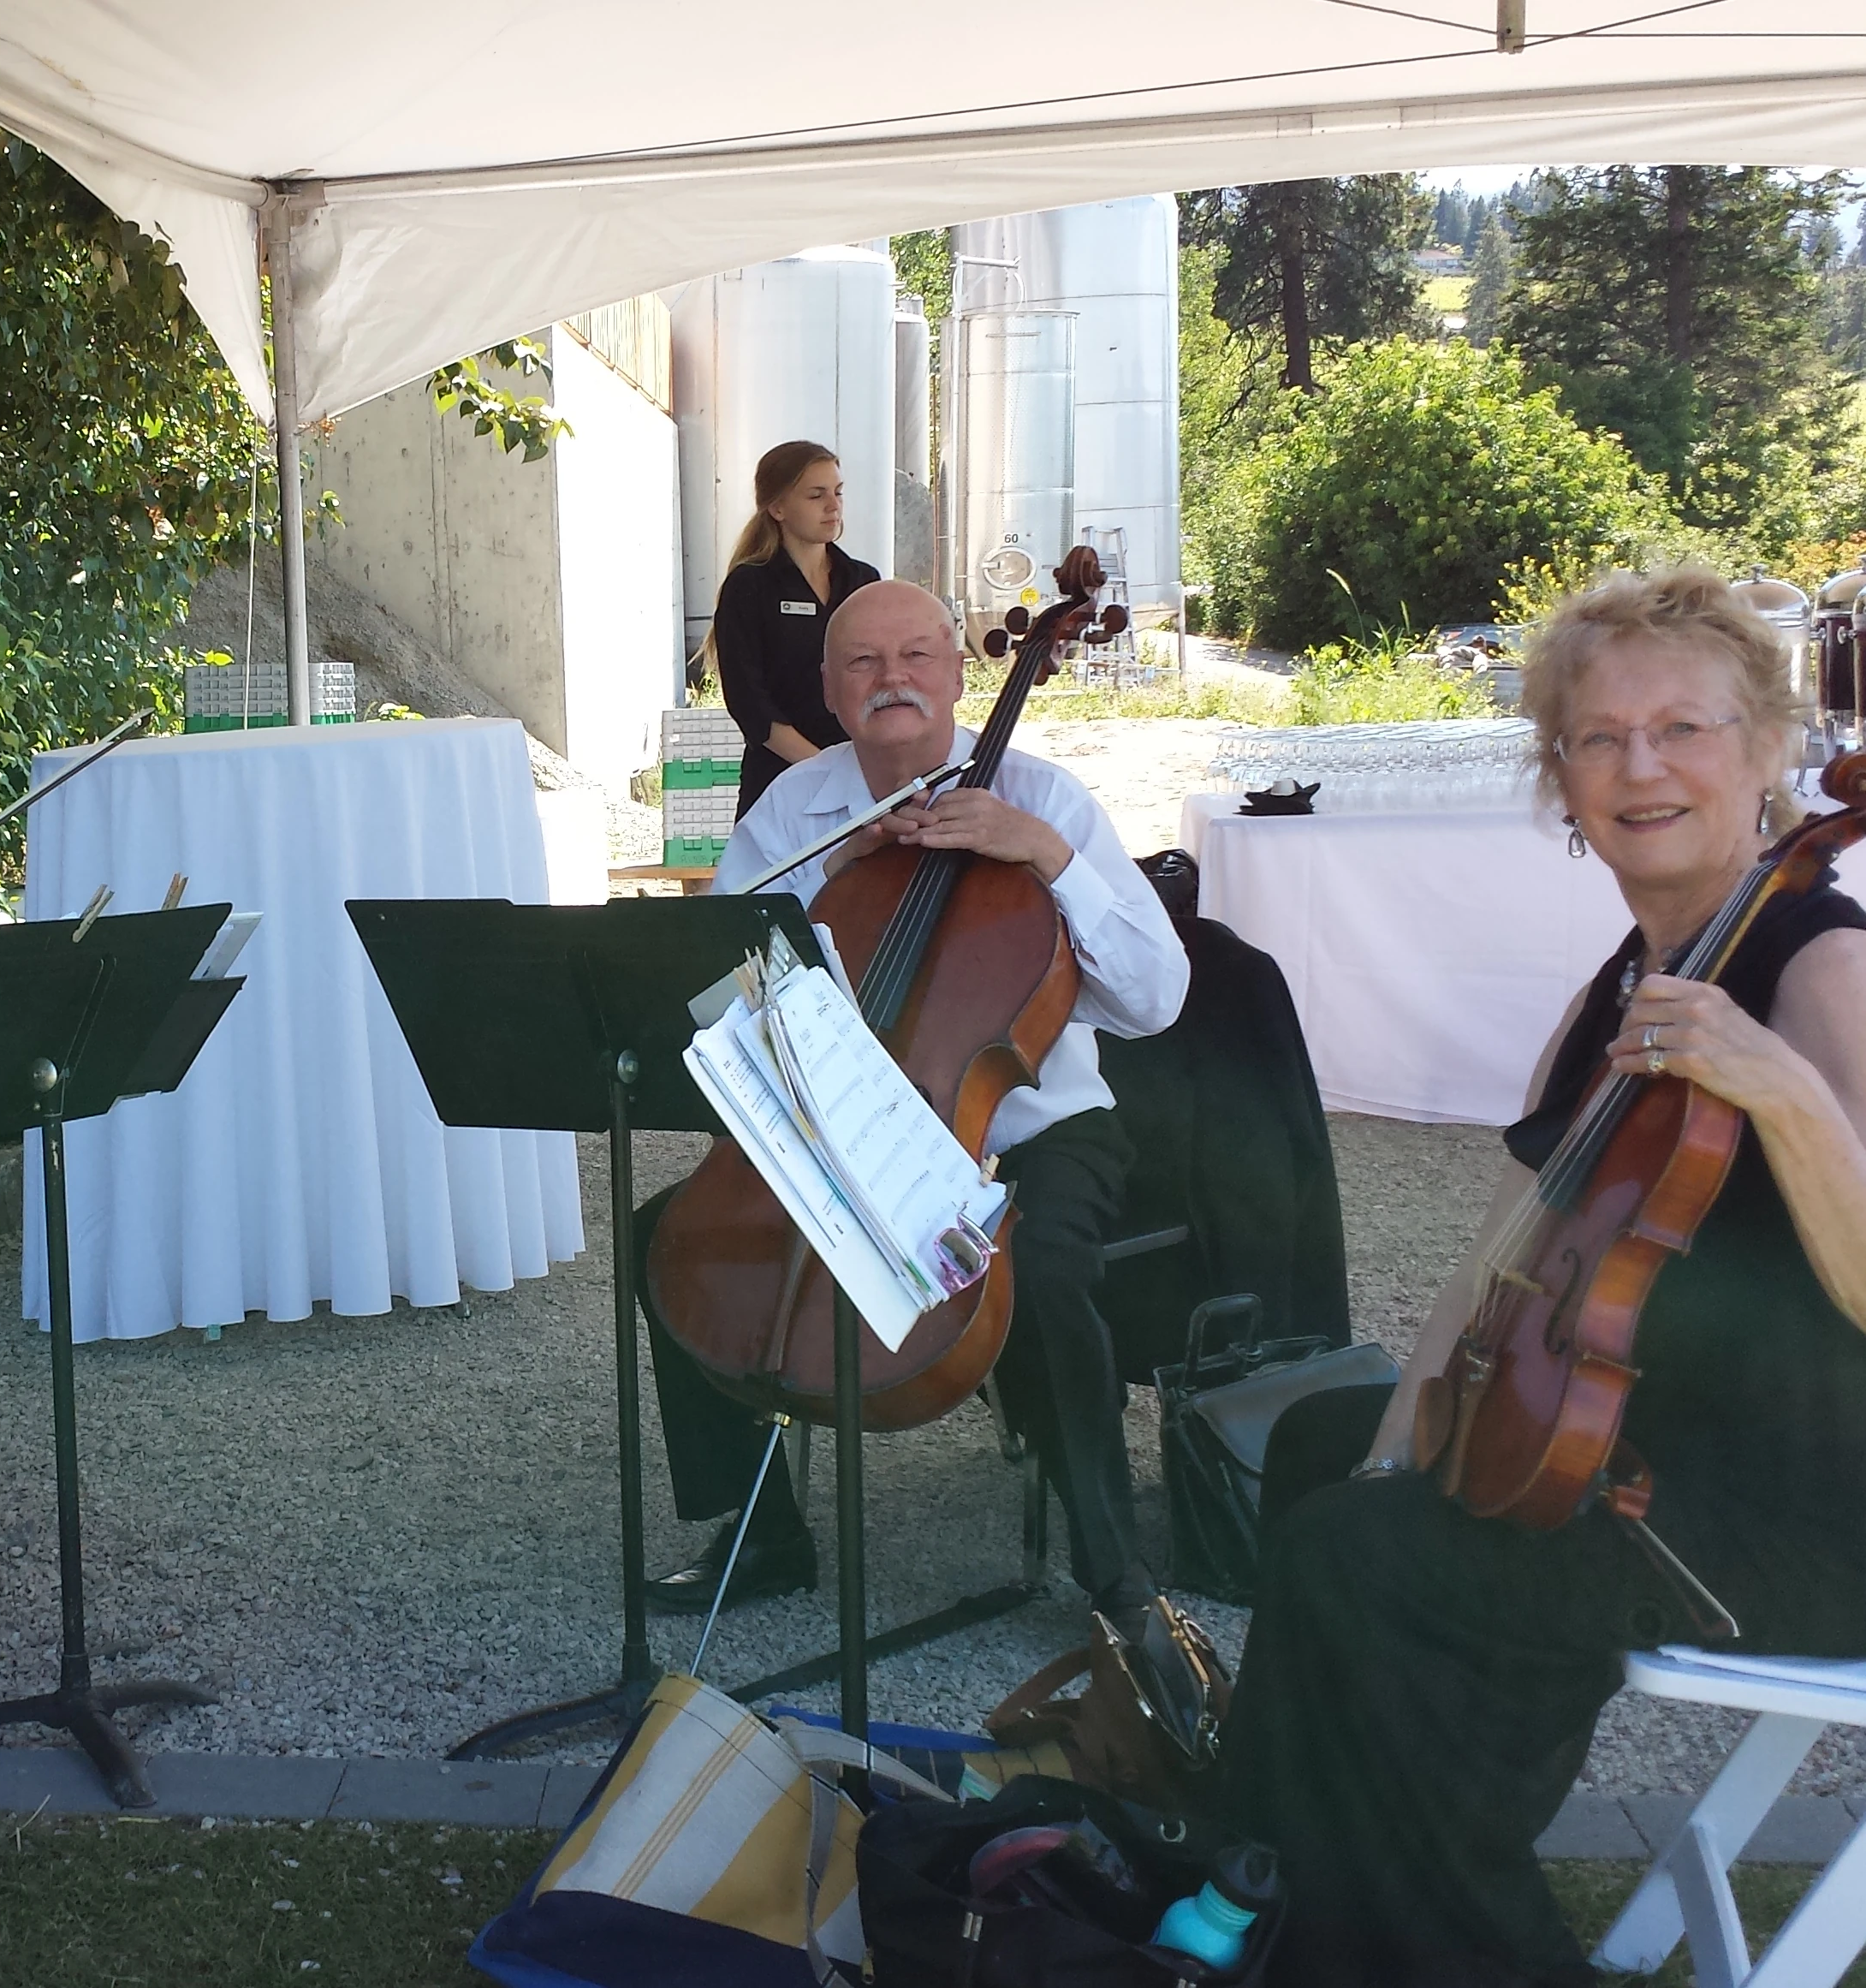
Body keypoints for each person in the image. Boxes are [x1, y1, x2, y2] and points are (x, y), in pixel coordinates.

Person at [1215, 568, 1866, 1988]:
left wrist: (1785, 1095)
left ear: (1765, 751)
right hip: (1645, 1452)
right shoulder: (1616, 992)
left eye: (1682, 728)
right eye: (1594, 737)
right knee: (1324, 1454)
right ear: (1557, 779)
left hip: (1800, 1510)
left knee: (1359, 1566)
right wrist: (1398, 1439)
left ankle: (1445, 1944)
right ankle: (1275, 1885)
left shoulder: (1823, 970)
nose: (1638, 767)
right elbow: (1501, 1254)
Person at [639, 580, 1189, 1627]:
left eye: (917, 658)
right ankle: (759, 1532)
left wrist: (1044, 856)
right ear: (833, 696)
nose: (893, 680)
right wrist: (828, 880)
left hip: (1026, 1128)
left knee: (1049, 1267)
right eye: (863, 663)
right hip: (840, 1126)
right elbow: (718, 991)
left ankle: (1113, 1571)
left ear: (957, 674)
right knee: (672, 1234)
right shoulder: (793, 816)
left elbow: (1156, 1001)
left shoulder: (1048, 798)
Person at [706, 441, 884, 815]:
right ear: (777, 507)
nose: (833, 506)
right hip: (780, 780)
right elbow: (749, 704)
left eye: (838, 492)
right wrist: (824, 769)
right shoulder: (749, 587)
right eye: (816, 495)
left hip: (865, 776)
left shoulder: (863, 580)